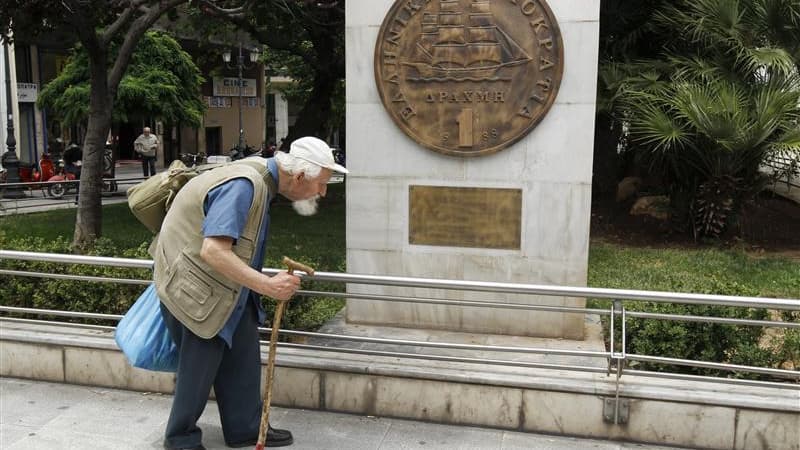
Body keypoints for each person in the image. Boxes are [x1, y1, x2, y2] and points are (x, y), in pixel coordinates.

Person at [153, 136, 348, 450]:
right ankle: (180, 438)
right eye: (322, 184)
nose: (323, 192)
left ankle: (245, 428)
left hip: (223, 286)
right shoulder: (245, 185)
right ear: (299, 177)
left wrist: (257, 282)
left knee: (242, 352)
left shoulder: (262, 176)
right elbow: (214, 251)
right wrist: (267, 286)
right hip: (195, 290)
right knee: (199, 368)